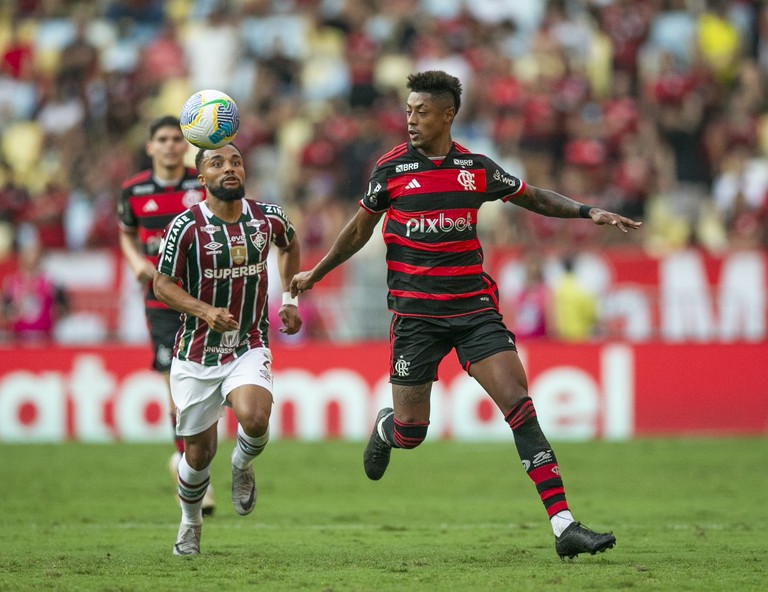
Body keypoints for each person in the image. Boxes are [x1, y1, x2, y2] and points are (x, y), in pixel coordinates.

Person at [290, 70, 642, 560]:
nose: (411, 119)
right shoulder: (390, 169)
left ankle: (564, 526)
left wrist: (588, 212)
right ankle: (387, 429)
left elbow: (533, 197)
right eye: (408, 110)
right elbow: (358, 230)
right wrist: (318, 272)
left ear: (447, 115)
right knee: (413, 432)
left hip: (474, 310)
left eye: (421, 111)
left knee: (519, 404)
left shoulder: (475, 168)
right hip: (415, 318)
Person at [153, 143, 302, 556]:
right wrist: (205, 311)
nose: (229, 168)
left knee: (254, 418)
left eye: (235, 161)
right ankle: (190, 521)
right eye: (217, 163)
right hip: (197, 352)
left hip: (248, 343)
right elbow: (161, 285)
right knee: (198, 456)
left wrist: (289, 300)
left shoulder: (267, 218)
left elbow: (290, 244)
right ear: (202, 178)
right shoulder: (185, 227)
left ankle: (241, 465)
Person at [118, 115, 215, 515]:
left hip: (202, 302)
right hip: (160, 304)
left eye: (178, 139)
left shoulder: (202, 185)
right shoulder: (134, 191)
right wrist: (135, 261)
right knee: (177, 391)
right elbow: (125, 231)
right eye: (163, 139)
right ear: (150, 147)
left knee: (206, 394)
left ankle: (187, 462)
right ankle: (195, 477)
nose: (171, 145)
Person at [0, 241, 68, 342]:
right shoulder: (11, 282)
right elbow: (3, 311)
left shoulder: (51, 281)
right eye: (27, 254)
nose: (31, 258)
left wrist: (55, 312)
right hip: (18, 339)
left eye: (34, 254)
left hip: (46, 339)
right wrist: (14, 310)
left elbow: (64, 308)